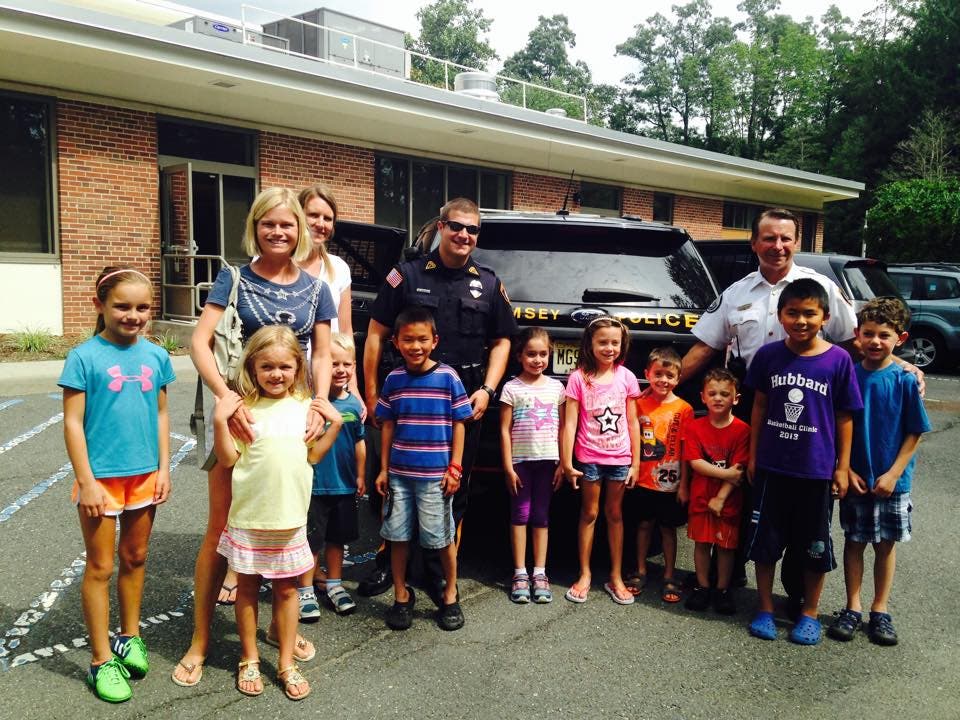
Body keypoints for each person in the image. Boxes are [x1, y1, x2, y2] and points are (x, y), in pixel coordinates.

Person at [173, 187, 337, 688]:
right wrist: (227, 398)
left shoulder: (317, 288)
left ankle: (275, 630)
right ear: (255, 227)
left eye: (288, 225)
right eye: (269, 223)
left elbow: (323, 353)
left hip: (289, 412)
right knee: (222, 528)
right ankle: (201, 640)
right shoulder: (234, 277)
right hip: (239, 412)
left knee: (285, 515)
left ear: (301, 231)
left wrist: (319, 400)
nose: (278, 232)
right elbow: (199, 341)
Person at [680, 208, 863, 607]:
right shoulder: (737, 292)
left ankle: (798, 592)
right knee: (748, 495)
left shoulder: (821, 288)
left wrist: (901, 365)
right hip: (753, 407)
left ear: (797, 242)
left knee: (804, 508)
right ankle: (734, 575)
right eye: (768, 238)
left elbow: (853, 346)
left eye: (785, 238)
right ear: (754, 243)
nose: (777, 246)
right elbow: (705, 346)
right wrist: (663, 385)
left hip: (812, 414)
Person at [361, 197, 517, 602]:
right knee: (395, 482)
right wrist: (373, 393)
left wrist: (488, 390)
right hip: (408, 400)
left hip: (463, 401)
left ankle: (438, 569)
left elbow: (502, 341)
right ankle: (386, 563)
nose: (464, 235)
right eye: (456, 226)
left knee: (453, 487)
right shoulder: (407, 274)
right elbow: (376, 334)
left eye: (472, 229)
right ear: (441, 227)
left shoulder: (488, 282)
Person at [60, 266, 176, 703]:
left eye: (142, 307)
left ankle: (129, 636)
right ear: (100, 305)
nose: (134, 315)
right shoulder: (84, 357)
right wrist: (86, 481)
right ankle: (100, 659)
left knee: (137, 556)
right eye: (122, 306)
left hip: (145, 475)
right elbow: (72, 423)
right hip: (101, 480)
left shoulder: (156, 356)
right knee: (100, 567)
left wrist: (164, 468)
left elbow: (162, 413)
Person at [213, 326, 341, 701]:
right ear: (252, 367)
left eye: (285, 366)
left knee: (287, 591)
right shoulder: (243, 410)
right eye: (266, 366)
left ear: (298, 366)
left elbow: (314, 456)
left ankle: (286, 661)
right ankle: (249, 657)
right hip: (250, 520)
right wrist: (221, 421)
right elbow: (227, 459)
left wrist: (334, 423)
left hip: (289, 522)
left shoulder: (306, 408)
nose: (276, 374)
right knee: (248, 590)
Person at [745, 278, 863, 645]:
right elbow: (759, 407)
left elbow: (845, 416)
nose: (800, 320)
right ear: (780, 316)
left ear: (825, 316)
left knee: (814, 547)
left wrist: (842, 466)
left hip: (816, 471)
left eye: (809, 313)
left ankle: (809, 612)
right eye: (792, 312)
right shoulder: (768, 356)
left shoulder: (838, 360)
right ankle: (765, 607)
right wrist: (752, 455)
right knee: (765, 544)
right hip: (772, 467)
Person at [827, 297, 931, 646]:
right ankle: (852, 607)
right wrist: (846, 469)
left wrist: (893, 474)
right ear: (856, 335)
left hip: (893, 482)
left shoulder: (904, 379)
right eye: (868, 334)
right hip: (856, 478)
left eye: (883, 335)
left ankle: (879, 610)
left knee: (885, 546)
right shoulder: (849, 377)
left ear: (899, 338)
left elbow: (915, 431)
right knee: (855, 542)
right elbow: (837, 426)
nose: (874, 342)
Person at [374, 307, 474, 630]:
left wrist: (455, 468)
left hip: (436, 479)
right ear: (396, 342)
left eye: (422, 340)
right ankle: (402, 595)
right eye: (407, 340)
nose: (415, 346)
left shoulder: (448, 378)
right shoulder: (393, 379)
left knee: (442, 539)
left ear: (434, 341)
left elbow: (460, 423)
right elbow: (387, 426)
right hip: (400, 478)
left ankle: (450, 594)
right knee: (398, 537)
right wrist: (384, 469)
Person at [561, 317, 641, 606]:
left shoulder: (627, 378)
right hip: (589, 457)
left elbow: (633, 422)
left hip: (620, 457)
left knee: (616, 514)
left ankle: (616, 576)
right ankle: (585, 573)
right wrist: (567, 462)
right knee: (589, 513)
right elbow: (569, 424)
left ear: (622, 345)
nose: (609, 348)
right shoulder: (578, 378)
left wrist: (636, 463)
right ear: (590, 344)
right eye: (602, 342)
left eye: (614, 343)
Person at [499, 327, 566, 604]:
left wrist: (564, 463)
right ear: (519, 356)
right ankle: (519, 573)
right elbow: (504, 429)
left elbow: (564, 427)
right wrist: (507, 467)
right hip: (521, 463)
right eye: (531, 354)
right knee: (520, 514)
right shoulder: (511, 388)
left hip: (548, 462)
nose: (537, 360)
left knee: (541, 516)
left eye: (542, 354)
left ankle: (540, 572)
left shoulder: (556, 388)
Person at [302, 332, 366, 619]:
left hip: (344, 484)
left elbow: (359, 444)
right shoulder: (310, 404)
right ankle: (305, 589)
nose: (340, 370)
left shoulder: (353, 405)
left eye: (347, 364)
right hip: (314, 486)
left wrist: (361, 475)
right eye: (333, 364)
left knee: (337, 539)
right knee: (311, 540)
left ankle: (335, 584)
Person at [628, 346, 694, 604]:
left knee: (668, 529)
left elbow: (687, 450)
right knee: (643, 525)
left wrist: (684, 485)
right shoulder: (638, 404)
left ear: (678, 378)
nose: (663, 380)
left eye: (669, 376)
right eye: (657, 374)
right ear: (647, 374)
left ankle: (669, 574)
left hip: (672, 482)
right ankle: (641, 569)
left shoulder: (684, 409)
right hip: (643, 478)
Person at [681, 368, 750, 615]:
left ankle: (722, 589)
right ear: (703, 397)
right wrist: (727, 474)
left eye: (724, 393)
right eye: (712, 393)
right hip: (700, 497)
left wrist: (721, 497)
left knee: (725, 547)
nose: (718, 398)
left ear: (736, 398)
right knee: (701, 544)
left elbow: (739, 468)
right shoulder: (694, 427)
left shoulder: (743, 430)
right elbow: (695, 462)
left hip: (729, 500)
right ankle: (702, 586)